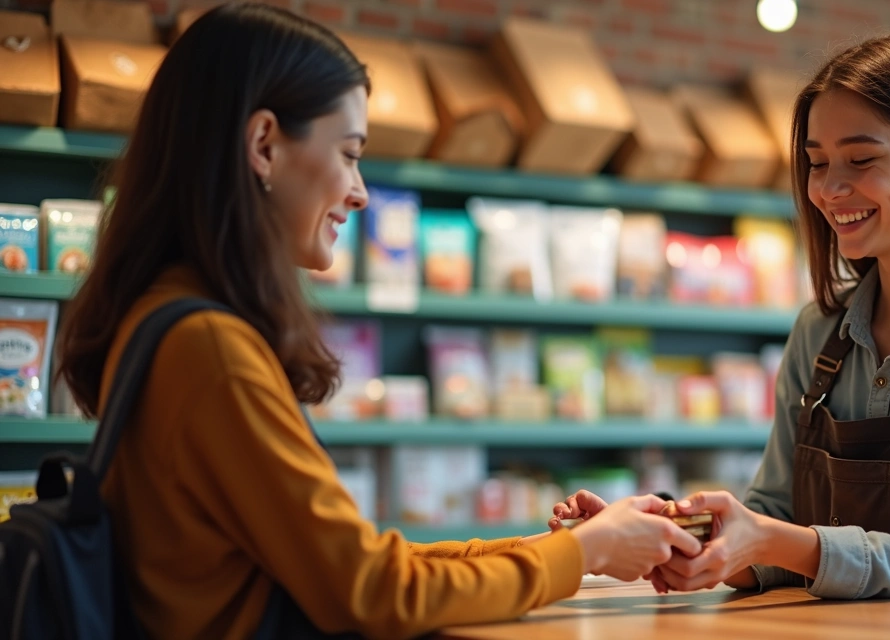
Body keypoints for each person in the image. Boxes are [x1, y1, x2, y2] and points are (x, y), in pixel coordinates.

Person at [55, 4, 700, 638]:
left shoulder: (164, 316)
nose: (360, 191)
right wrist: (583, 554)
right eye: (349, 153)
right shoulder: (211, 348)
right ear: (263, 145)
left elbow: (350, 564)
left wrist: (563, 547)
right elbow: (371, 594)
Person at [551, 30, 890, 602]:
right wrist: (662, 536)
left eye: (861, 160)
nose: (830, 189)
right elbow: (775, 515)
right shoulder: (820, 332)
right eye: (817, 163)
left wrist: (765, 539)